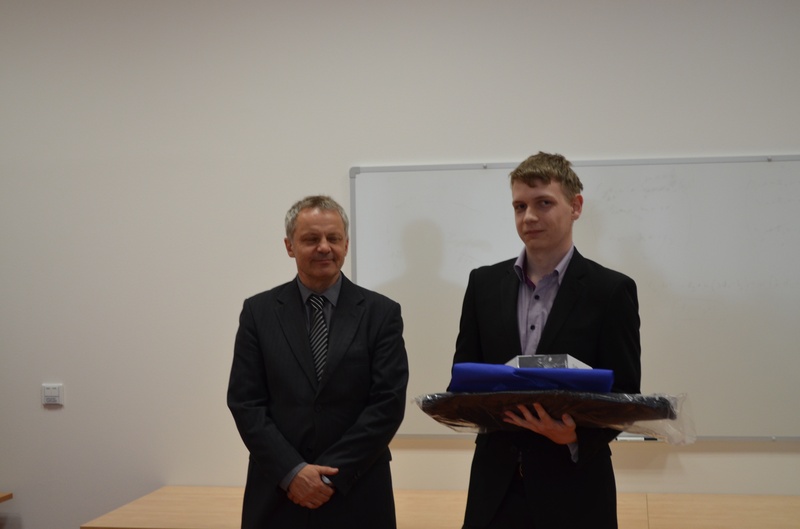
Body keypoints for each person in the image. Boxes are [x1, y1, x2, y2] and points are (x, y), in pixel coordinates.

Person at [451, 152, 642, 529]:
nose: (529, 217)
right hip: (495, 491)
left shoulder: (610, 290)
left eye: (543, 203)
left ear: (576, 206)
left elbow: (625, 395)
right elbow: (464, 376)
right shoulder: (483, 284)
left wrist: (573, 435)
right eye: (519, 206)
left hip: (575, 491)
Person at [227, 195, 409, 529]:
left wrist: (327, 477)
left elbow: (387, 404)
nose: (324, 247)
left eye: (333, 238)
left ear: (346, 244)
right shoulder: (258, 312)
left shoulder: (381, 313)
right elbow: (245, 402)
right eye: (311, 239)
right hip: (278, 493)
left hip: (358, 492)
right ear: (289, 246)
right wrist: (293, 472)